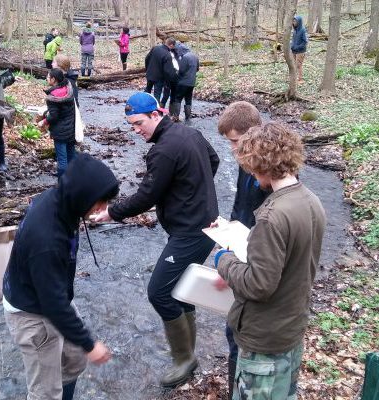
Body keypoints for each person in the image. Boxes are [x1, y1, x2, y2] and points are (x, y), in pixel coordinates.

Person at [93, 92, 220, 388]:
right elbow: (212, 161)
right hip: (203, 225)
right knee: (180, 287)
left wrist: (112, 212)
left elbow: (145, 196)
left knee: (159, 292)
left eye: (138, 123)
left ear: (155, 114)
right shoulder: (190, 132)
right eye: (131, 125)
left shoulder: (163, 150)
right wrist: (192, 190)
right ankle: (188, 350)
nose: (136, 130)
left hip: (191, 232)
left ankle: (184, 359)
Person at [216, 122, 326, 400]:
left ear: (261, 164)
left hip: (265, 337)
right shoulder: (312, 201)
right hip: (292, 326)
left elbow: (258, 285)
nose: (250, 173)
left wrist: (224, 259)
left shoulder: (271, 215)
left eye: (251, 166)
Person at [3, 153, 119, 400]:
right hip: (30, 313)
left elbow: (55, 298)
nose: (103, 208)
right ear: (83, 195)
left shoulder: (64, 201)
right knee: (45, 392)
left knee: (74, 361)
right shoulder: (47, 238)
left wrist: (83, 345)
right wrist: (91, 344)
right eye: (100, 202)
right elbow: (52, 302)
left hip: (50, 296)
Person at [216, 101, 268, 399]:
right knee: (232, 330)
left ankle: (240, 389)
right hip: (240, 255)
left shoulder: (268, 176)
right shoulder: (245, 163)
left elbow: (267, 230)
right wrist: (226, 235)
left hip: (255, 267)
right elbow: (241, 210)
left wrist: (234, 264)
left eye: (235, 141)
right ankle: (234, 388)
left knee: (240, 333)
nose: (233, 149)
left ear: (253, 135)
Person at [40, 69, 76, 178]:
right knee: (71, 156)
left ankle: (63, 186)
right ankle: (74, 182)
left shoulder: (53, 96)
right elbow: (62, 110)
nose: (46, 78)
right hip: (71, 128)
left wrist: (44, 121)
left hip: (60, 132)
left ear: (54, 80)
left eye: (48, 77)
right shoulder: (68, 89)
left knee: (62, 160)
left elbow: (54, 116)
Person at [144, 37, 178, 104]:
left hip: (150, 75)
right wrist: (170, 80)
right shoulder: (167, 55)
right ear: (171, 45)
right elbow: (167, 70)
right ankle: (156, 111)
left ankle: (143, 107)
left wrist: (147, 69)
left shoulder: (155, 48)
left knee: (147, 91)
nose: (173, 48)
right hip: (159, 78)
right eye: (173, 47)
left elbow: (146, 58)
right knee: (157, 95)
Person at [173, 43, 199, 121]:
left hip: (183, 82)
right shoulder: (195, 56)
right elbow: (197, 69)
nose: (177, 52)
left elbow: (181, 70)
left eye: (178, 50)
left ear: (181, 50)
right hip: (192, 83)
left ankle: (176, 117)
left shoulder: (185, 57)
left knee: (178, 99)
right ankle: (188, 117)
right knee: (188, 100)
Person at [291, 15, 308, 83]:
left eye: (295, 21)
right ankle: (295, 77)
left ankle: (300, 79)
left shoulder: (303, 30)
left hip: (300, 51)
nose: (293, 22)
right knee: (293, 64)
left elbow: (305, 42)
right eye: (293, 20)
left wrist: (297, 47)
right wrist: (291, 45)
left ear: (299, 21)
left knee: (298, 65)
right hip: (294, 50)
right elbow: (293, 39)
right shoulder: (295, 30)